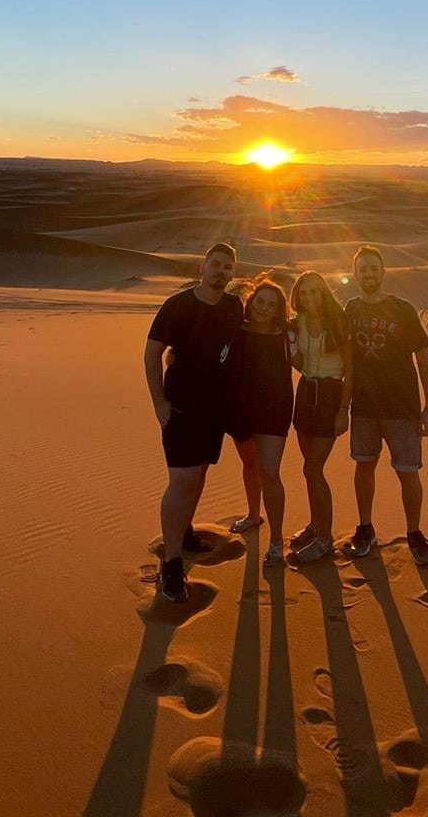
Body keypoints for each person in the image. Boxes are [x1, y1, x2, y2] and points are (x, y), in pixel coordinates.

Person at [144, 242, 243, 602]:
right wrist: (159, 403)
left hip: (214, 413)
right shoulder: (179, 305)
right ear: (202, 268)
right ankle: (170, 564)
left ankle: (183, 533)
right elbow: (152, 352)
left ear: (232, 273)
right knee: (182, 481)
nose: (220, 271)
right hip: (181, 411)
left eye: (227, 267)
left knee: (198, 475)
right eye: (215, 264)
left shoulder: (234, 307)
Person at [343, 245, 428, 566]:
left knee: (408, 473)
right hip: (365, 407)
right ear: (355, 275)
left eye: (373, 268)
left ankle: (414, 532)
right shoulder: (349, 310)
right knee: (364, 465)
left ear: (382, 273)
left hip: (403, 407)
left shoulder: (402, 308)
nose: (368, 274)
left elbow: (423, 357)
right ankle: (365, 528)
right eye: (362, 269)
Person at [227, 278, 296, 566]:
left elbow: (309, 358)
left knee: (270, 472)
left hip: (274, 410)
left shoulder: (286, 336)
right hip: (240, 409)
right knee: (250, 464)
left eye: (271, 304)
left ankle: (277, 541)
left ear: (279, 309)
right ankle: (254, 516)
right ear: (251, 302)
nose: (264, 308)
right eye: (260, 302)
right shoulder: (235, 332)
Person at [286, 270, 349, 563]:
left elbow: (352, 370)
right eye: (305, 292)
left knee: (314, 469)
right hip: (305, 394)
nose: (310, 298)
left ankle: (325, 539)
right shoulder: (295, 324)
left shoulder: (339, 321)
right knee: (308, 469)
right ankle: (315, 525)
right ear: (297, 296)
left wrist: (342, 409)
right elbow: (299, 363)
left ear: (324, 292)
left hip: (329, 394)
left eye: (315, 291)